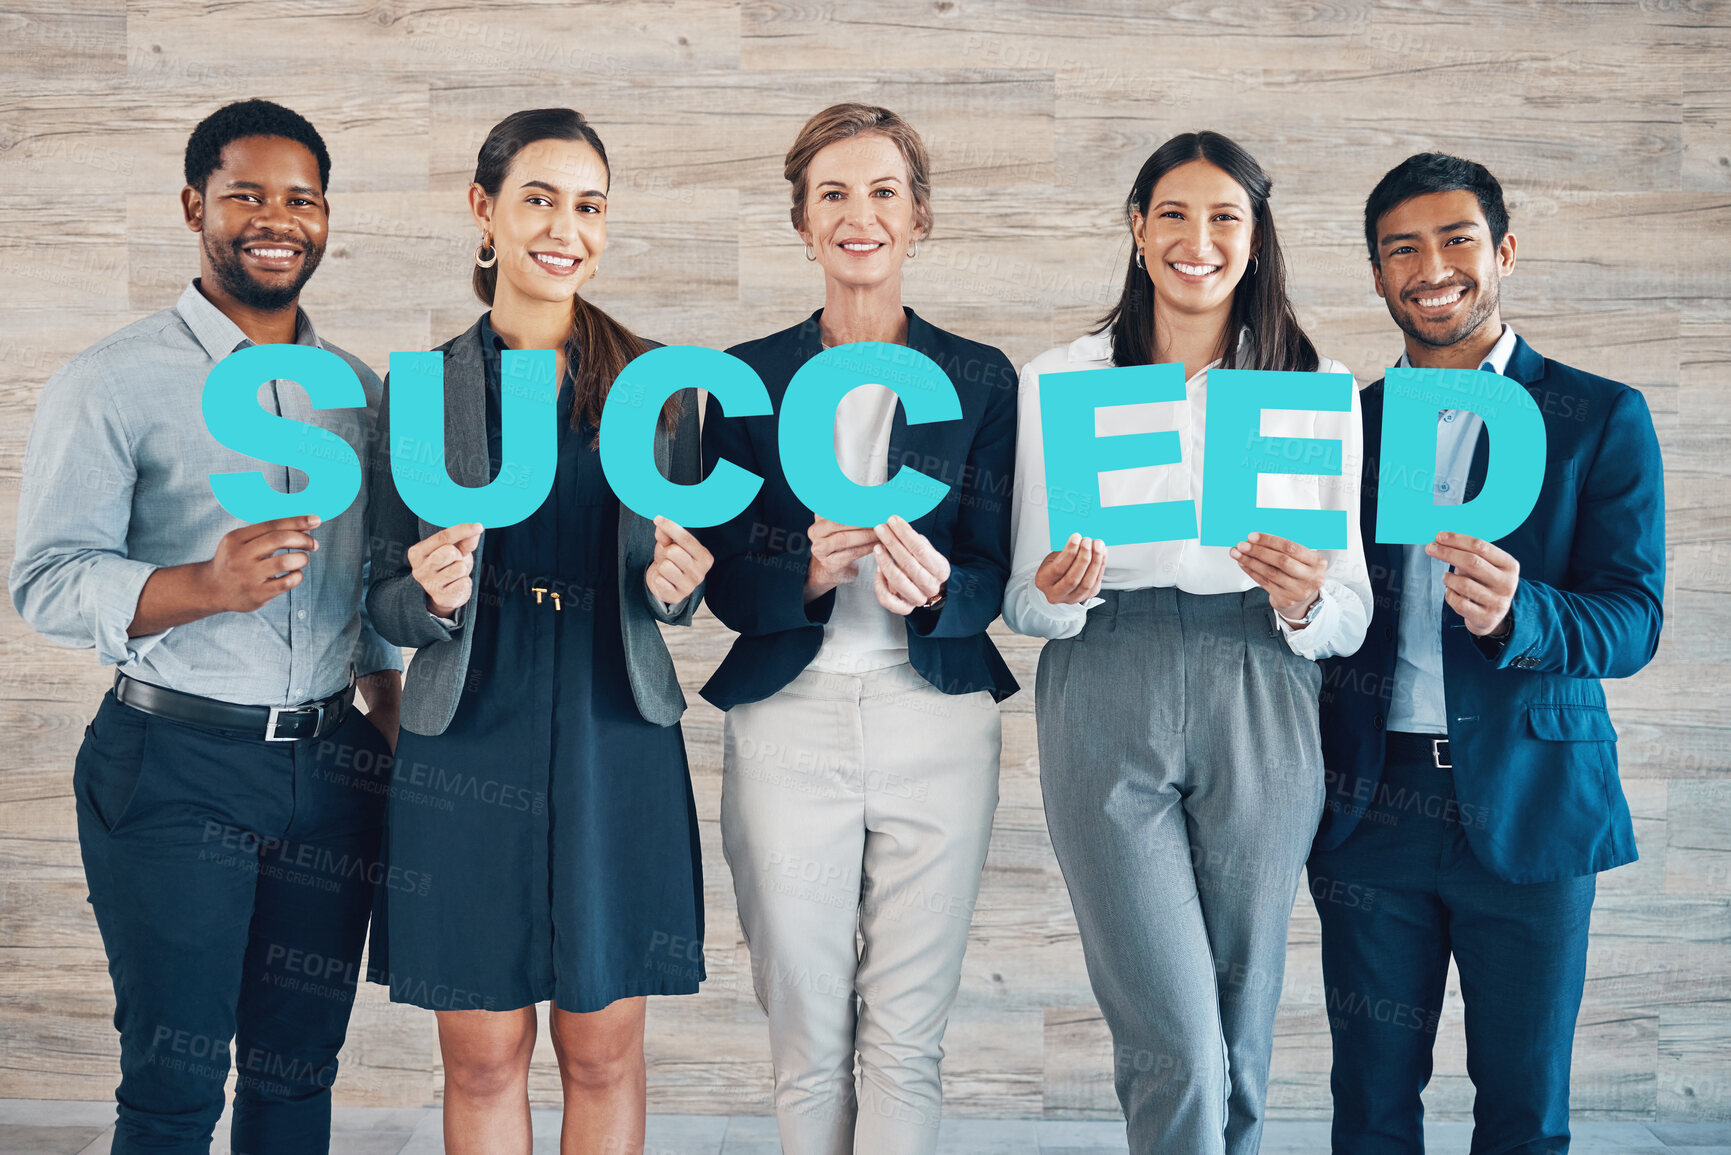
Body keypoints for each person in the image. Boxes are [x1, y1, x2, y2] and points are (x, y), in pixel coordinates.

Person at [8, 99, 402, 1154]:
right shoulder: (113, 380)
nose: (276, 219)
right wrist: (201, 584)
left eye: (301, 198)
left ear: (326, 219)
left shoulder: (359, 394)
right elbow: (44, 580)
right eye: (246, 195)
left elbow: (373, 602)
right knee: (176, 1081)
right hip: (174, 765)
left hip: (331, 773)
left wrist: (402, 731)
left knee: (297, 1072)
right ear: (195, 207)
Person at [1003, 131, 1371, 1155]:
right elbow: (1024, 608)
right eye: (1173, 214)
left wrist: (1303, 601)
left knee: (1242, 1028)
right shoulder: (1063, 380)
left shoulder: (1313, 387)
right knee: (1177, 1042)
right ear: (1136, 227)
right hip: (1104, 674)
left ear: (1255, 241)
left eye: (1224, 218)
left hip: (1259, 677)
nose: (1196, 240)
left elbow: (1348, 613)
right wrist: (1055, 594)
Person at [361, 107, 710, 1155]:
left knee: (603, 1053)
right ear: (485, 210)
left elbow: (678, 588)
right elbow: (375, 603)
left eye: (590, 206)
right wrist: (424, 594)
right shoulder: (419, 393)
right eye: (540, 199)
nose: (567, 228)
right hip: (468, 733)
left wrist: (680, 585)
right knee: (481, 1057)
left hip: (615, 731)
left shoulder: (657, 392)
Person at [1307, 152, 1666, 1154]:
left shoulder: (1599, 415)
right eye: (1402, 249)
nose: (1433, 267)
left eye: (1457, 239)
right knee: (1371, 1106)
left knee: (1523, 1108)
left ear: (1503, 252)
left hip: (1535, 806)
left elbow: (1634, 620)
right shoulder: (1343, 427)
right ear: (1378, 276)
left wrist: (1524, 615)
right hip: (1371, 809)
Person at [697, 102, 1018, 1154]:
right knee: (806, 1027)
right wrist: (803, 570)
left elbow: (997, 573)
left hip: (938, 721)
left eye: (883, 191)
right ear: (801, 220)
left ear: (918, 217)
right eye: (833, 192)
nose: (859, 213)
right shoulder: (745, 381)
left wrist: (936, 593)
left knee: (908, 1036)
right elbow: (724, 586)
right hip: (789, 721)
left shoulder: (979, 379)